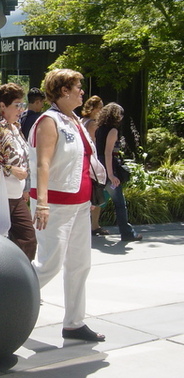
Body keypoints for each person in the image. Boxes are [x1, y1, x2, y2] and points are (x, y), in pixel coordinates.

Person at [29, 69, 107, 342]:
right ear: (64, 91)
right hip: (56, 205)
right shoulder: (49, 121)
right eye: (78, 87)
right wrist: (42, 203)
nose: (82, 92)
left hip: (80, 204)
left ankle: (74, 324)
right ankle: (1, 302)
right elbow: (43, 163)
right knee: (48, 265)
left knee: (79, 264)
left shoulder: (73, 120)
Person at [0, 83, 36, 260]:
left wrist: (26, 187)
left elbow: (23, 157)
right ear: (2, 106)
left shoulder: (15, 128)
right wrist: (11, 169)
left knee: (27, 241)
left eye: (22, 105)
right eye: (17, 105)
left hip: (15, 196)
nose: (21, 109)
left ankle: (20, 279)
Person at [95, 103, 143, 242]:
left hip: (98, 168)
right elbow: (108, 153)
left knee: (93, 201)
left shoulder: (99, 129)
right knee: (119, 203)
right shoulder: (113, 131)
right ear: (117, 115)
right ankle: (127, 233)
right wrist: (111, 174)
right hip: (108, 168)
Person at [81, 96, 107, 236]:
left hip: (84, 162)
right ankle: (94, 225)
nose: (102, 110)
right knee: (97, 192)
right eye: (100, 107)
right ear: (94, 109)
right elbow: (93, 144)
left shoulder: (81, 121)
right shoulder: (93, 124)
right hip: (92, 161)